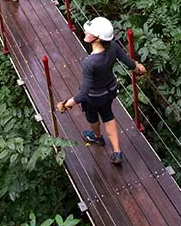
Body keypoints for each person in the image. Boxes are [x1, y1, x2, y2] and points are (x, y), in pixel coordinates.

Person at [58, 16, 146, 166]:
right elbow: (128, 62)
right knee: (108, 115)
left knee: (92, 117)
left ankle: (97, 137)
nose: (85, 31)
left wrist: (67, 104)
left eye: (89, 31)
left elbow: (84, 92)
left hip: (94, 97)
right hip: (110, 90)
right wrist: (137, 67)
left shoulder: (90, 63)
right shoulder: (113, 47)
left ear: (98, 38)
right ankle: (117, 151)